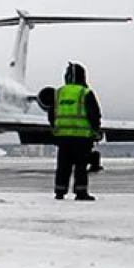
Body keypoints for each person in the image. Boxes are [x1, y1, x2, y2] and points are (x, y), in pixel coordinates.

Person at [38, 62, 102, 200]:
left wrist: (55, 128)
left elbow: (52, 114)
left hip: (63, 137)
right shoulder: (85, 93)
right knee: (81, 167)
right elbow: (94, 114)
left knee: (63, 166)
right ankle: (81, 192)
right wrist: (96, 131)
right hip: (82, 137)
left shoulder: (59, 92)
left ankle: (59, 191)